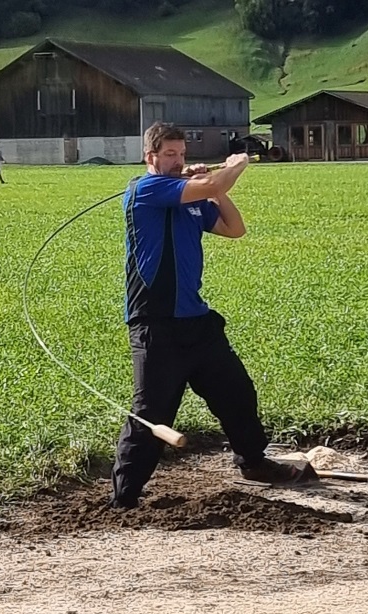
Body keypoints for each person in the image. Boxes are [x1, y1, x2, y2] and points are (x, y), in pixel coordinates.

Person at [110, 122, 306, 510]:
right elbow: (217, 185)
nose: (178, 161)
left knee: (237, 393)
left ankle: (252, 462)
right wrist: (236, 164)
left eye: (182, 154)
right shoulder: (145, 190)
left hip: (197, 323)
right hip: (156, 324)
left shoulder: (190, 198)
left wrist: (213, 192)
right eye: (169, 154)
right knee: (151, 413)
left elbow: (235, 229)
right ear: (150, 157)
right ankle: (124, 497)